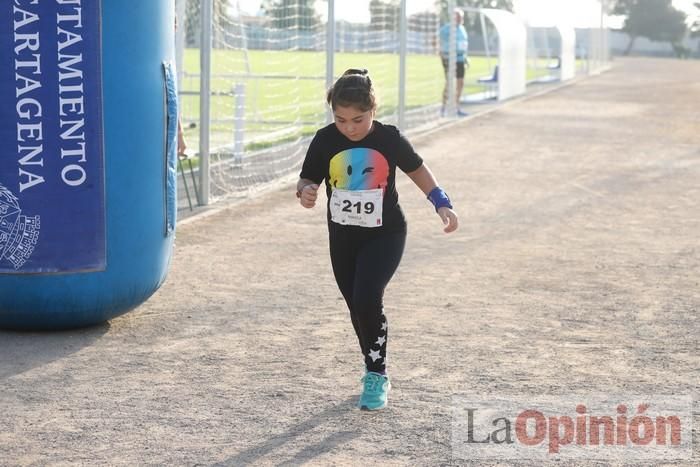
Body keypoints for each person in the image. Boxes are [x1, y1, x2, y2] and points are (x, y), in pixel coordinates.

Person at [296, 69, 459, 411]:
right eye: (340, 119)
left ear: (373, 110)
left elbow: (418, 170)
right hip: (342, 238)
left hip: (386, 234)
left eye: (358, 119)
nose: (349, 128)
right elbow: (307, 179)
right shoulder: (326, 140)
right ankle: (372, 364)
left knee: (368, 297)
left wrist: (441, 203)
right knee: (357, 306)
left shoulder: (389, 139)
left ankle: (376, 375)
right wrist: (306, 192)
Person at [439, 8, 469, 116]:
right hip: (449, 59)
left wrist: (466, 58)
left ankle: (456, 107)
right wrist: (440, 53)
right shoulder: (446, 29)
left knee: (460, 83)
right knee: (449, 83)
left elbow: (464, 44)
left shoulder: (462, 29)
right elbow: (436, 39)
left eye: (461, 17)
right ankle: (443, 108)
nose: (460, 19)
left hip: (460, 59)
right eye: (458, 16)